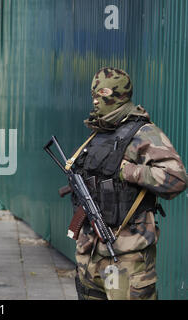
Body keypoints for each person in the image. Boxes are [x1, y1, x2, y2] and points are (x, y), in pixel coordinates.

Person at [71, 67, 187, 300]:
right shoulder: (99, 132)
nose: (95, 100)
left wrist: (128, 171)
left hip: (126, 258)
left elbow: (177, 179)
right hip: (90, 253)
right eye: (93, 93)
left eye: (102, 93)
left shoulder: (142, 133)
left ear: (121, 95)